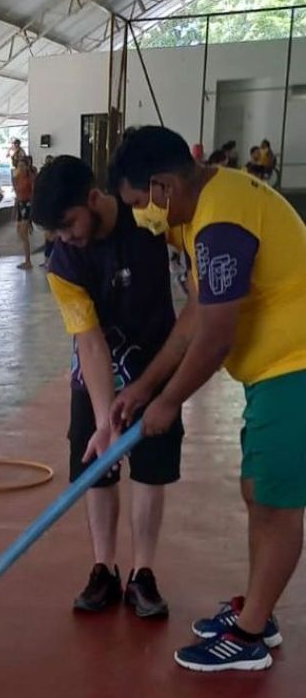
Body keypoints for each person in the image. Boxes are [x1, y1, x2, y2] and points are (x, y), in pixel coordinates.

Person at [109, 125, 306, 672]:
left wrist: (168, 404)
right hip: (274, 373)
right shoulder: (211, 206)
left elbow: (217, 335)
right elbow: (194, 316)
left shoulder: (219, 221)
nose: (140, 216)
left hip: (296, 370)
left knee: (276, 504)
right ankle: (257, 613)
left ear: (163, 185)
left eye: (139, 203)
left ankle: (248, 637)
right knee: (258, 492)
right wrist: (144, 387)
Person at [32, 155, 183, 620]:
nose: (65, 236)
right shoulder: (63, 263)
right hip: (97, 372)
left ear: (93, 199)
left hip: (157, 366)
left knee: (151, 470)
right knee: (98, 465)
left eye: (68, 223)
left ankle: (142, 573)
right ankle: (104, 568)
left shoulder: (149, 220)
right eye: (55, 231)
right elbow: (91, 344)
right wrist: (105, 423)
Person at [13, 156, 36, 270]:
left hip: (28, 204)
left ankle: (28, 261)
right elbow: (17, 194)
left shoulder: (30, 178)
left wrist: (32, 213)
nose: (21, 168)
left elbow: (34, 193)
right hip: (20, 204)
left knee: (23, 232)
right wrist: (15, 208)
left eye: (23, 166)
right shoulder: (17, 177)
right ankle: (27, 259)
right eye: (19, 166)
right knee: (20, 232)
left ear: (27, 167)